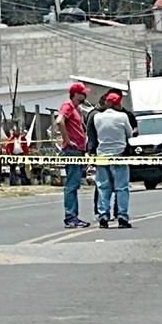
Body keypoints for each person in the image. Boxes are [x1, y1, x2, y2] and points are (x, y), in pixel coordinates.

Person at [93, 91, 133, 229]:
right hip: (119, 155)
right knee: (121, 188)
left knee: (103, 188)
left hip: (102, 156)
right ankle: (122, 216)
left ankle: (103, 215)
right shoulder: (123, 116)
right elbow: (129, 134)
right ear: (117, 104)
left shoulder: (97, 117)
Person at [55, 82, 90, 228]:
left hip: (79, 150)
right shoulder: (68, 105)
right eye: (83, 93)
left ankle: (73, 216)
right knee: (71, 185)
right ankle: (70, 217)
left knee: (75, 184)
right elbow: (59, 121)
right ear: (76, 94)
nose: (85, 95)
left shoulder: (77, 109)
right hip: (72, 150)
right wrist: (67, 140)